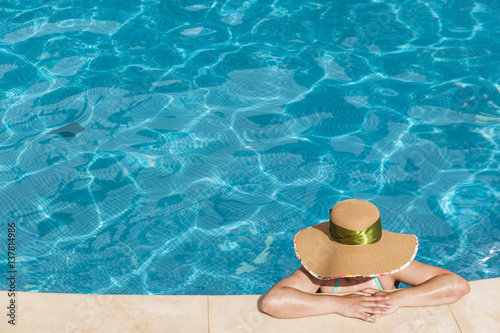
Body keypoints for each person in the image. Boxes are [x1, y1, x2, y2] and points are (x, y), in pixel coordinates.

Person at [260, 199, 470, 323]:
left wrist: (397, 298)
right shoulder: (319, 272)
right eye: (351, 259)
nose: (359, 268)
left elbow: (456, 285)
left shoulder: (390, 269)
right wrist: (340, 304)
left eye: (366, 259)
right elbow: (274, 302)